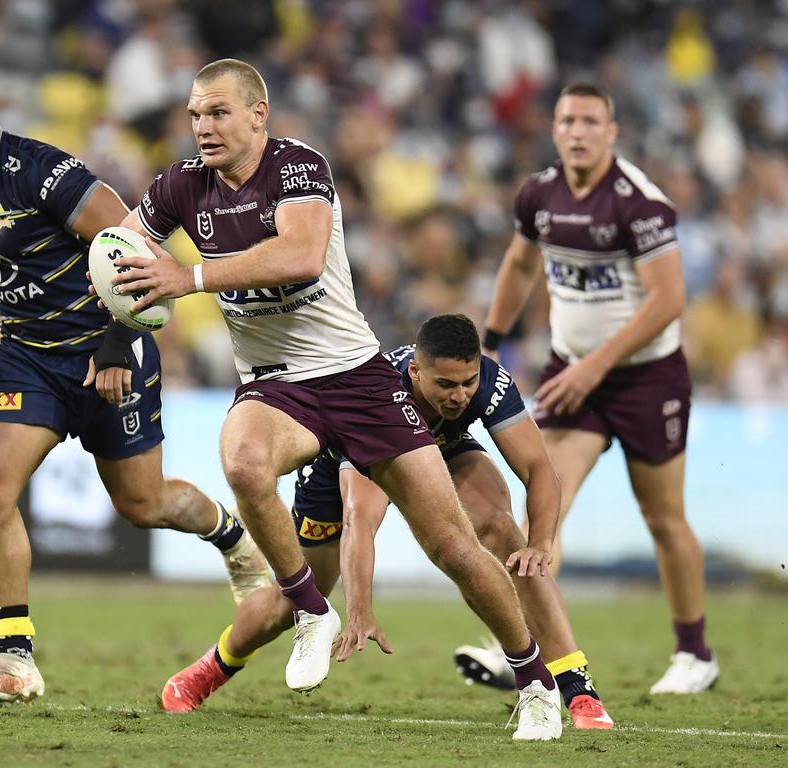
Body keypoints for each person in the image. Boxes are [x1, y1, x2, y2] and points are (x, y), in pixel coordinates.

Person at [103, 59, 562, 740]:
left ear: (259, 114)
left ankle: (536, 682)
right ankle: (311, 609)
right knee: (243, 461)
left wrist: (189, 275)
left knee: (455, 548)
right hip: (276, 383)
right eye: (196, 113)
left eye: (219, 112)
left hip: (358, 377)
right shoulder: (177, 188)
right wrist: (116, 333)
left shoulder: (299, 168)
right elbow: (123, 255)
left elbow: (301, 256)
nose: (203, 126)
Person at [0, 73, 270, 706]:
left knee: (143, 504)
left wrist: (115, 346)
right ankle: (14, 659)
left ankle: (234, 541)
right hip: (27, 360)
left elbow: (131, 241)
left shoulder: (44, 173)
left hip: (109, 347)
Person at [157, 314, 614, 730]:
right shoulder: (378, 396)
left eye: (467, 383)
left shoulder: (490, 384)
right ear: (415, 372)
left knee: (503, 536)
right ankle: (210, 669)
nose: (459, 396)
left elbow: (539, 470)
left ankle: (576, 690)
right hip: (356, 453)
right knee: (285, 605)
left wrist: (543, 541)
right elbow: (360, 519)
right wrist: (361, 608)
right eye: (445, 385)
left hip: (440, 450)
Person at [482, 82, 717, 694]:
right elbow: (520, 264)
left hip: (647, 379)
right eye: (568, 121)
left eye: (591, 121)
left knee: (663, 518)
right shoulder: (539, 193)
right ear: (554, 130)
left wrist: (594, 366)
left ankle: (695, 654)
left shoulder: (639, 203)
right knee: (547, 500)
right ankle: (526, 649)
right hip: (573, 372)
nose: (578, 131)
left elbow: (669, 301)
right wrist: (490, 340)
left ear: (611, 132)